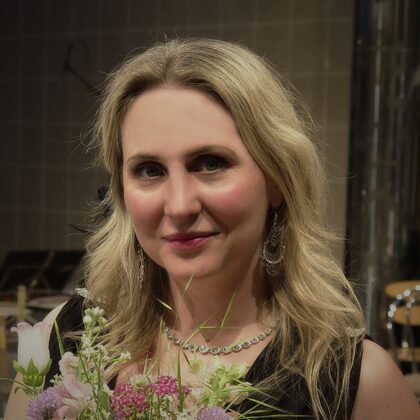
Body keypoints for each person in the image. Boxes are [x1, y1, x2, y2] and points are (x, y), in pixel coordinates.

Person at [6, 38, 419, 419]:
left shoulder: (359, 384)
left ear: (278, 180)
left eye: (210, 163)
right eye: (149, 170)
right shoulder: (62, 342)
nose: (180, 206)